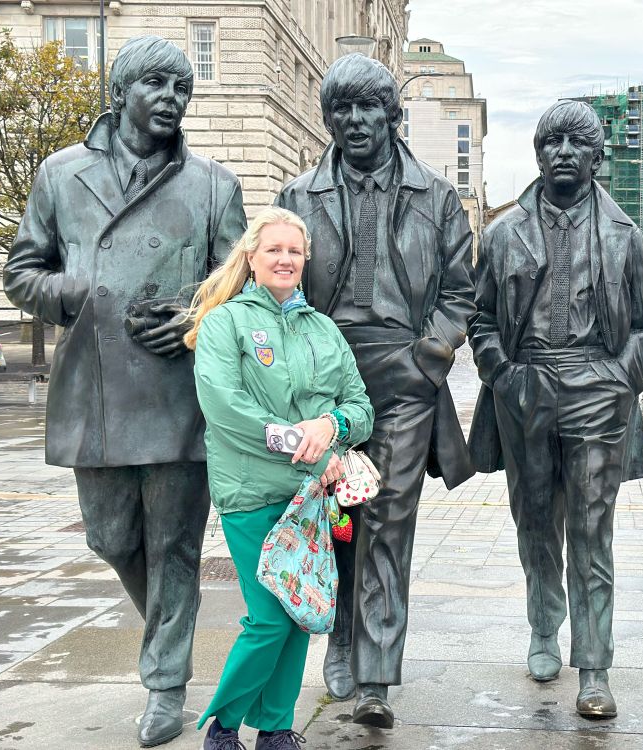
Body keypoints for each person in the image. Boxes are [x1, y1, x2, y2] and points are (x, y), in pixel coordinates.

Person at [3, 35, 246, 747]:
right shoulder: (60, 174)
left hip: (177, 391)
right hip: (97, 388)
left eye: (182, 88)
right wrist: (73, 291)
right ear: (121, 92)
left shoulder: (212, 184)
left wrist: (199, 314)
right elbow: (22, 271)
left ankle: (165, 685)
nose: (172, 98)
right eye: (157, 85)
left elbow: (237, 280)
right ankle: (171, 631)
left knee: (173, 545)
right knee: (111, 538)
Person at [275, 53, 475, 728]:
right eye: (341, 108)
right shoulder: (298, 198)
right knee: (338, 518)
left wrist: (430, 357)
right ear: (326, 116)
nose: (355, 120)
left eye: (368, 107)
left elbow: (460, 293)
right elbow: (276, 286)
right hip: (325, 380)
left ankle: (376, 677)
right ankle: (341, 632)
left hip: (403, 374)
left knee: (388, 519)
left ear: (393, 114)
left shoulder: (437, 196)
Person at [467, 100, 643, 719]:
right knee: (535, 520)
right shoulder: (502, 234)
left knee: (591, 529)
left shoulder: (624, 235)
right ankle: (544, 625)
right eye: (551, 142)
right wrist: (504, 374)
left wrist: (616, 379)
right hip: (527, 388)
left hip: (596, 389)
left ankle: (595, 667)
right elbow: (478, 317)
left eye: (577, 143)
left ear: (597, 156)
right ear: (537, 153)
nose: (562, 153)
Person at [186, 207, 374, 750]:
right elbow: (226, 409)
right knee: (268, 619)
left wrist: (332, 423)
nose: (285, 258)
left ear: (306, 259)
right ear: (252, 257)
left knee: (298, 618)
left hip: (311, 501)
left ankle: (276, 728)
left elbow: (360, 406)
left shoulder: (323, 329)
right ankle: (224, 725)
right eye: (274, 249)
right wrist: (307, 447)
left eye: (294, 250)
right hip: (251, 493)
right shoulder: (226, 322)